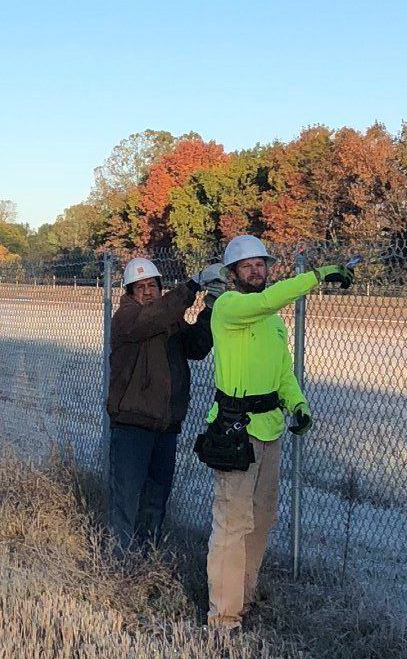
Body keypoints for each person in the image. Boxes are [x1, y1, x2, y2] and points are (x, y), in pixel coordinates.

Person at [202, 235, 353, 627]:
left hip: (269, 429)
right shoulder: (231, 307)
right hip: (235, 429)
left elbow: (283, 372)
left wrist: (297, 404)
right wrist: (317, 275)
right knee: (232, 523)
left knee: (261, 518)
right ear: (232, 274)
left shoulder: (270, 320)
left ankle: (243, 599)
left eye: (261, 264)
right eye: (247, 265)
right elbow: (268, 300)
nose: (257, 271)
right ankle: (223, 617)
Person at [104, 255, 212, 553]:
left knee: (155, 499)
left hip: (165, 426)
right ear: (128, 293)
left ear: (160, 288)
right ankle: (119, 562)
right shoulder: (127, 319)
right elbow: (152, 320)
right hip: (132, 425)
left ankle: (147, 557)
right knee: (126, 499)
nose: (147, 291)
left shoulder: (170, 319)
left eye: (152, 285)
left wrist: (211, 310)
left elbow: (197, 347)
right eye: (139, 287)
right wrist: (192, 286)